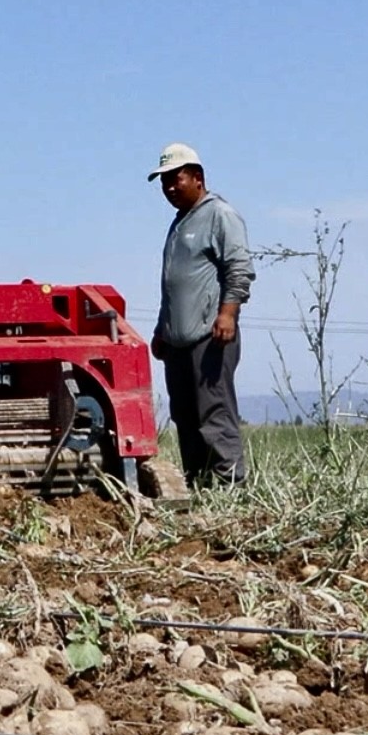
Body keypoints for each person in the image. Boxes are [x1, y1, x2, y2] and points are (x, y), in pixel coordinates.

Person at [148, 142, 256, 488]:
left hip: (209, 336)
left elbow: (239, 269)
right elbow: (175, 283)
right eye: (164, 182)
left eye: (174, 179)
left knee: (214, 412)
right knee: (185, 416)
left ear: (197, 177)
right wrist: (162, 328)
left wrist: (228, 314)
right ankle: (199, 483)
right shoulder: (179, 224)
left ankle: (229, 485)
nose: (168, 188)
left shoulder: (219, 214)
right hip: (177, 341)